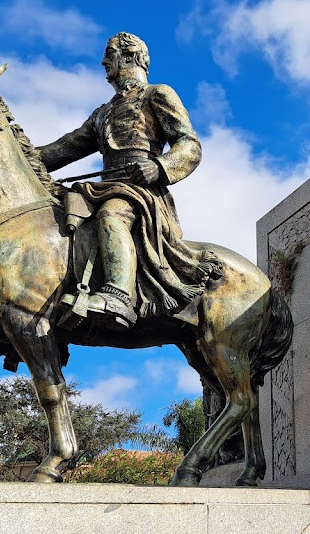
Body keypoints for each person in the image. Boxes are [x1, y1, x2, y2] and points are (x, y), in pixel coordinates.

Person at [38, 32, 218, 328]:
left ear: (131, 56)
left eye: (109, 54)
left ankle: (118, 296)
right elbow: (65, 148)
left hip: (140, 190)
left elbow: (189, 144)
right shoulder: (103, 112)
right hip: (106, 185)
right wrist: (10, 152)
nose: (103, 61)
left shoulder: (157, 94)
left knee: (111, 215)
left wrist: (159, 166)